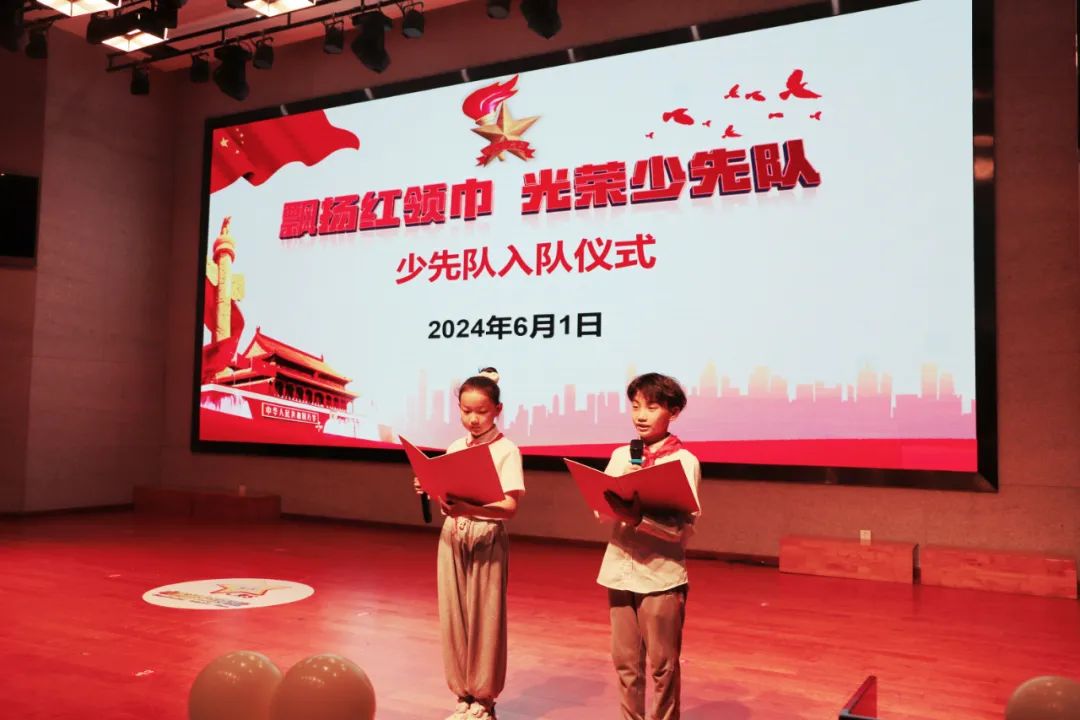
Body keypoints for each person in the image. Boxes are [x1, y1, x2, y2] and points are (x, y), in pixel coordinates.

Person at [413, 367, 524, 720]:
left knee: (485, 618)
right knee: (454, 616)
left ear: (497, 410)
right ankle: (462, 692)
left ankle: (484, 698)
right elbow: (449, 498)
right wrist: (430, 486)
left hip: (486, 537)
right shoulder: (456, 447)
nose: (473, 419)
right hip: (453, 535)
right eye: (466, 411)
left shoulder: (507, 450)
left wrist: (470, 508)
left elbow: (509, 508)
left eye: (481, 411)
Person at [598, 372, 702, 720]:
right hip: (619, 571)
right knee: (626, 664)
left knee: (663, 666)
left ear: (673, 412)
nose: (640, 416)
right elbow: (602, 511)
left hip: (660, 576)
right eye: (635, 406)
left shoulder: (683, 462)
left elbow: (683, 530)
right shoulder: (620, 456)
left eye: (652, 407)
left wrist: (639, 518)